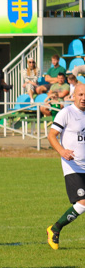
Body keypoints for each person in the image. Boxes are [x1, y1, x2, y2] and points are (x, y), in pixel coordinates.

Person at [47, 83, 85, 250]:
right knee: (83, 202)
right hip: (73, 166)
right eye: (80, 95)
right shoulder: (66, 113)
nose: (83, 98)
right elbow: (52, 135)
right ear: (74, 96)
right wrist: (61, 151)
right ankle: (55, 228)